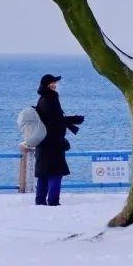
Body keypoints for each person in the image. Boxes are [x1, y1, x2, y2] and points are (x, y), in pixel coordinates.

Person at [34, 74, 83, 205]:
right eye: (52, 83)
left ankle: (40, 202)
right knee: (56, 173)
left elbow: (51, 119)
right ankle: (53, 202)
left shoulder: (42, 99)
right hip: (53, 143)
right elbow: (55, 120)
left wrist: (70, 121)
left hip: (42, 143)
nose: (55, 85)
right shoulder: (50, 99)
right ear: (46, 85)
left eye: (55, 83)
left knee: (43, 174)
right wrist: (73, 119)